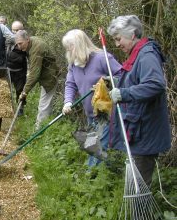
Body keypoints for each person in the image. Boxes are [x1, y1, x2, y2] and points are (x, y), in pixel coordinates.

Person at [107, 15, 171, 187]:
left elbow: (155, 84)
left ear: (132, 34)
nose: (117, 44)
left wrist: (124, 93)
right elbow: (135, 78)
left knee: (139, 185)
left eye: (119, 39)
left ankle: (141, 212)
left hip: (146, 130)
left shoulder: (146, 55)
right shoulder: (138, 54)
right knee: (137, 180)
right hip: (139, 129)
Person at [61, 29, 122, 167]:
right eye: (67, 48)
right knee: (93, 146)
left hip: (106, 112)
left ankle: (93, 178)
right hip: (90, 113)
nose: (69, 51)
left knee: (101, 146)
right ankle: (107, 171)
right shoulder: (73, 64)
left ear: (80, 44)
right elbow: (70, 84)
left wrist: (106, 83)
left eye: (71, 47)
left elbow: (122, 75)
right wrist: (68, 102)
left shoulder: (102, 58)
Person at [15, 30, 59, 129]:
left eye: (20, 43)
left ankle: (39, 132)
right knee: (46, 105)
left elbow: (34, 74)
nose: (19, 47)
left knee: (43, 106)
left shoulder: (36, 48)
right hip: (46, 76)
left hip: (50, 78)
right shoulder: (31, 43)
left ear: (27, 39)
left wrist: (25, 91)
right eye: (17, 44)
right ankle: (46, 126)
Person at [7, 21, 28, 116]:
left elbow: (29, 56)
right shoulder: (8, 40)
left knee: (20, 90)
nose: (16, 32)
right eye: (14, 30)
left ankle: (20, 108)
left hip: (20, 71)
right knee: (6, 89)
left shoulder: (26, 41)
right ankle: (6, 107)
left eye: (18, 30)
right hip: (8, 70)